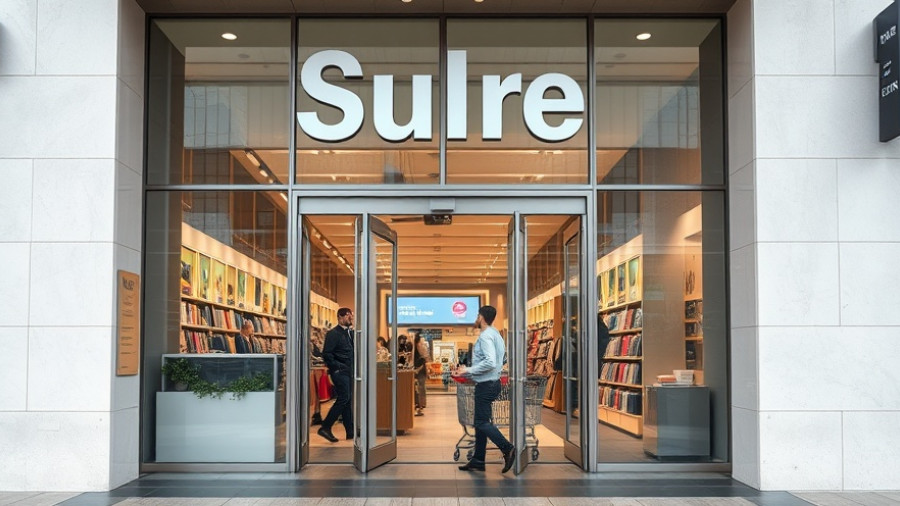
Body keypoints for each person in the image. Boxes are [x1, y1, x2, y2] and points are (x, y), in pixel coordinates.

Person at [456, 305, 515, 473]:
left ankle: (507, 448)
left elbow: (489, 361)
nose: (476, 318)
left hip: (486, 385)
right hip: (493, 382)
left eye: (477, 315)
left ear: (481, 317)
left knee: (481, 422)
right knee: (481, 422)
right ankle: (478, 460)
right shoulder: (497, 335)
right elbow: (500, 360)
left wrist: (468, 370)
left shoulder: (485, 336)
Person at [318, 307, 354, 443]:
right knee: (344, 399)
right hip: (340, 372)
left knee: (347, 400)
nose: (350, 318)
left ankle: (350, 432)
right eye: (348, 316)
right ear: (340, 317)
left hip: (347, 371)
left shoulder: (348, 333)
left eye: (351, 315)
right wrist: (337, 367)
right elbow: (327, 353)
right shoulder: (333, 333)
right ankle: (326, 427)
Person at [413, 333, 428, 416]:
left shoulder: (418, 348)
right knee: (420, 388)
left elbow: (423, 360)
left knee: (420, 388)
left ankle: (420, 405)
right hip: (419, 370)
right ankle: (420, 404)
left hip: (420, 371)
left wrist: (417, 370)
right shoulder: (416, 349)